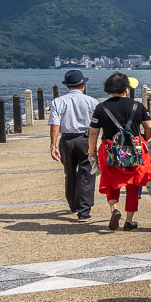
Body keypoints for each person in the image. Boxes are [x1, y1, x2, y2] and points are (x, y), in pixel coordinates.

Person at [88, 72, 151, 231]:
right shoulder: (137, 106)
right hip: (134, 151)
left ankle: (114, 209)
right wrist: (144, 138)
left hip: (110, 149)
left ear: (109, 89)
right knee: (133, 184)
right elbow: (150, 127)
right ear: (126, 88)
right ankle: (129, 220)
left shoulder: (101, 108)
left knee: (111, 182)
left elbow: (93, 132)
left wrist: (92, 152)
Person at [47, 69, 97, 220]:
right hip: (86, 140)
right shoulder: (92, 101)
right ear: (83, 85)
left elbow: (55, 125)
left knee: (70, 173)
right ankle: (84, 211)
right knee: (88, 173)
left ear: (67, 86)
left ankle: (73, 205)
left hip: (66, 141)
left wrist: (53, 146)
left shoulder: (58, 102)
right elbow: (96, 125)